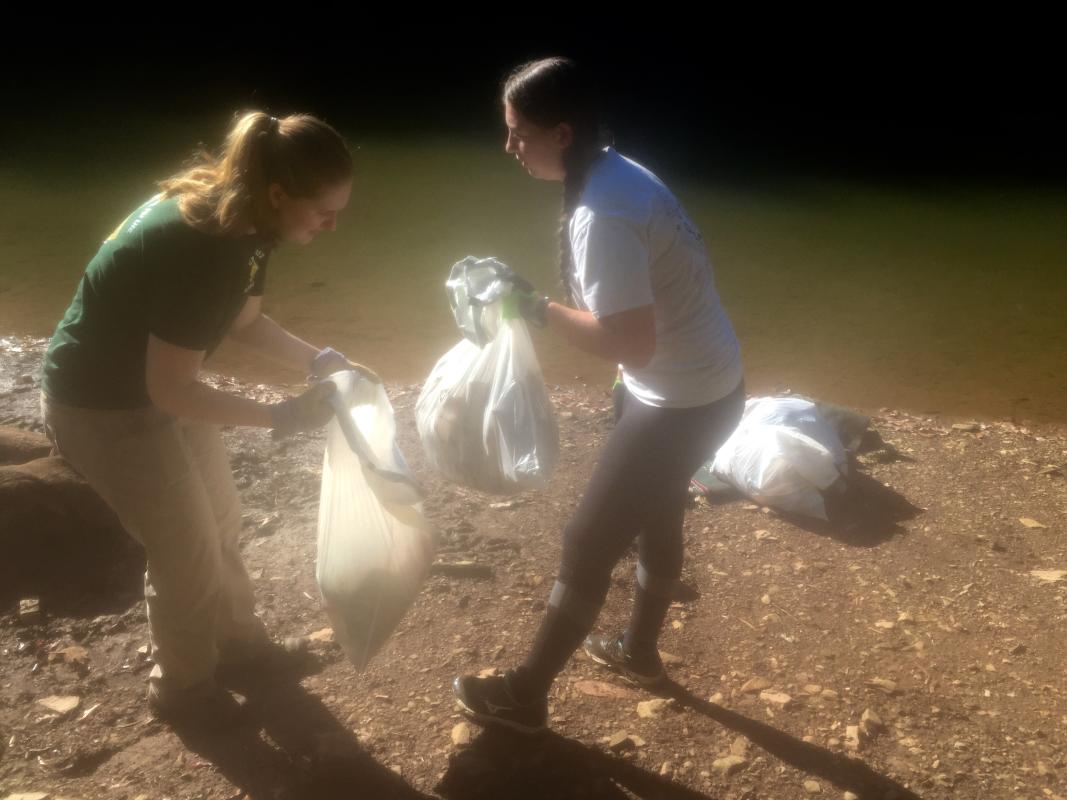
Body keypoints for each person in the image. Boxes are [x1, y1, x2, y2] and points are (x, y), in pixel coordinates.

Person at [40, 110, 374, 727]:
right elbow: (171, 390)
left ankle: (240, 649)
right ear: (278, 194)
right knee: (184, 552)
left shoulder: (248, 220)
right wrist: (277, 417)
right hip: (100, 404)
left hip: (149, 387)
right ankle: (184, 691)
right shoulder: (209, 246)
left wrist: (317, 359)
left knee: (222, 517)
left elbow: (243, 322)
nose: (332, 225)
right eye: (324, 211)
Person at [453, 57, 746, 733]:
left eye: (517, 133)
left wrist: (530, 306)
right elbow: (643, 332)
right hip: (701, 382)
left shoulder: (602, 212)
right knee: (659, 512)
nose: (508, 147)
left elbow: (628, 341)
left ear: (560, 133)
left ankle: (525, 695)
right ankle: (638, 653)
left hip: (680, 398)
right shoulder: (616, 168)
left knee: (586, 542)